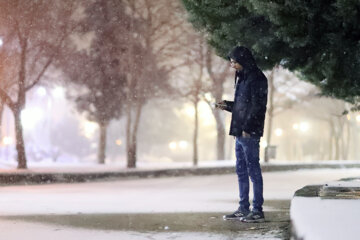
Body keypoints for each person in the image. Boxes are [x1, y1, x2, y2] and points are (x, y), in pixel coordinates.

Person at [216, 46, 268, 223]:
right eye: (231, 61)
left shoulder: (257, 78)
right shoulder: (242, 77)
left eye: (234, 61)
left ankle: (257, 210)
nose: (232, 65)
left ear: (243, 60)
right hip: (239, 131)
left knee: (253, 170)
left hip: (249, 132)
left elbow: (257, 107)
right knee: (241, 170)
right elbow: (242, 105)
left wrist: (247, 127)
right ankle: (243, 207)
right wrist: (228, 105)